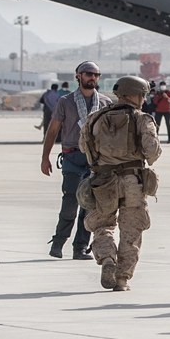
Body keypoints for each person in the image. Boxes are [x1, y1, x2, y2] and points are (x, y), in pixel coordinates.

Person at [80, 75, 163, 291]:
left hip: (102, 181)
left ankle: (107, 258)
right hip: (131, 181)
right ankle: (121, 278)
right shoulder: (142, 119)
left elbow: (84, 147)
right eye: (142, 95)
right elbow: (152, 152)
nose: (144, 99)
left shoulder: (95, 118)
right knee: (131, 230)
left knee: (102, 224)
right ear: (131, 95)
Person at [44, 62, 104, 260]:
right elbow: (53, 131)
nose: (92, 78)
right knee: (70, 202)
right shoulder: (65, 102)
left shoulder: (104, 103)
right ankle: (59, 242)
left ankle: (80, 248)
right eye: (88, 74)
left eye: (96, 74)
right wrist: (45, 158)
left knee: (88, 206)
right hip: (72, 157)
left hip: (95, 160)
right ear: (78, 76)